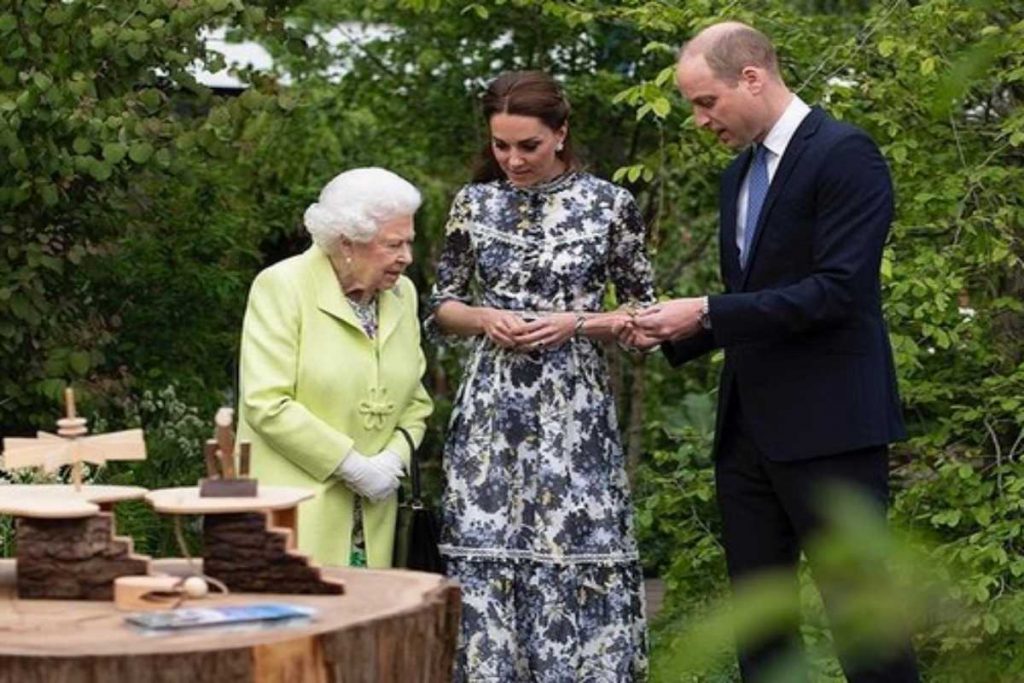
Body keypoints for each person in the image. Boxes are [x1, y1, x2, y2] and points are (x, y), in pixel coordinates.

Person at [622, 22, 920, 682]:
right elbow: (757, 300)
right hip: (748, 434)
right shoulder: (737, 177)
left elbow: (838, 292)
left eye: (706, 102)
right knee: (762, 632)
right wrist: (677, 330)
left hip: (833, 431)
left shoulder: (845, 154)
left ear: (751, 78)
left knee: (866, 627)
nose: (700, 120)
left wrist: (704, 310)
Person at [429, 70, 653, 681]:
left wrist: (575, 323)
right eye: (501, 146)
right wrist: (485, 318)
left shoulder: (610, 205)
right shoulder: (473, 204)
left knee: (575, 551)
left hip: (573, 408)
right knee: (484, 551)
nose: (512, 160)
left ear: (561, 133)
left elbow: (645, 315)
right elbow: (441, 305)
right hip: (491, 407)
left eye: (527, 145)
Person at [237, 167, 433, 568]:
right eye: (393, 245)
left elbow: (415, 401)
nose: (406, 258)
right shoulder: (282, 286)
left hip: (374, 518)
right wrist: (352, 466)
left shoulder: (402, 295)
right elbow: (266, 402)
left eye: (408, 243)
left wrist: (391, 463)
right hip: (295, 510)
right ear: (347, 243)